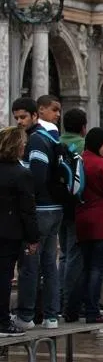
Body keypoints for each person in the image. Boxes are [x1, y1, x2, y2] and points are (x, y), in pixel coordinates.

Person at [11, 97, 63, 330]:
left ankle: (26, 315)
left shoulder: (36, 141)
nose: (20, 122)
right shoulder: (51, 137)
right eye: (16, 118)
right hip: (54, 208)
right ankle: (52, 315)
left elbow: (38, 176)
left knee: (30, 264)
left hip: (40, 209)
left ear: (35, 115)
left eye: (23, 117)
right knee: (49, 264)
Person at [74, 128, 103, 324]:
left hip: (83, 217)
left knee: (84, 267)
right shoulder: (102, 164)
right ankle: (93, 310)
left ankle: (73, 308)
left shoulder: (80, 160)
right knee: (97, 268)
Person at [0, 127, 39, 336]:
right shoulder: (22, 174)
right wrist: (33, 238)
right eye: (23, 142)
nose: (25, 146)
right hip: (9, 233)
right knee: (5, 277)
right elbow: (27, 210)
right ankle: (3, 322)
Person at [58, 108, 87, 314]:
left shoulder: (56, 143)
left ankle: (58, 296)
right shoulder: (84, 146)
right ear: (83, 127)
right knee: (74, 254)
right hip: (77, 205)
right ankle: (70, 300)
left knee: (62, 254)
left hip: (58, 203)